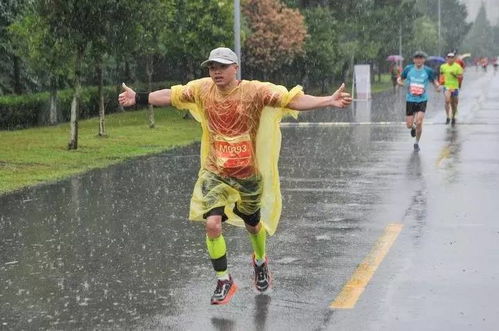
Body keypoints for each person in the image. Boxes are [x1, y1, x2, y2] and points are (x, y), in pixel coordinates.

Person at [118, 47, 352, 305]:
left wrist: (327, 100)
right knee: (212, 224)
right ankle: (223, 280)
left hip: (247, 173)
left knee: (253, 224)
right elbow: (172, 94)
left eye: (221, 66)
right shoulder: (201, 89)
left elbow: (291, 100)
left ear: (235, 68)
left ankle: (260, 261)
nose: (216, 72)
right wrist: (139, 97)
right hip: (214, 171)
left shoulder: (255, 91)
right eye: (211, 67)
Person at [397, 51, 440, 152]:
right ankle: (413, 128)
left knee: (419, 121)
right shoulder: (408, 69)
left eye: (421, 58)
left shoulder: (428, 70)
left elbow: (434, 81)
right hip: (410, 99)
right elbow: (400, 79)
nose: (419, 60)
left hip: (422, 99)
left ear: (424, 60)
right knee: (409, 125)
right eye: (417, 58)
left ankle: (416, 143)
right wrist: (400, 83)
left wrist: (437, 86)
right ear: (414, 60)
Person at [439, 52, 463, 126]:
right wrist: (441, 82)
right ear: (446, 58)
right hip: (447, 86)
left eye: (452, 57)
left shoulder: (458, 67)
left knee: (454, 104)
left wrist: (455, 75)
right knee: (447, 101)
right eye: (449, 57)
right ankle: (447, 117)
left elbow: (461, 77)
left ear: (454, 59)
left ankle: (453, 117)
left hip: (455, 87)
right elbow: (441, 75)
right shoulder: (443, 66)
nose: (450, 59)